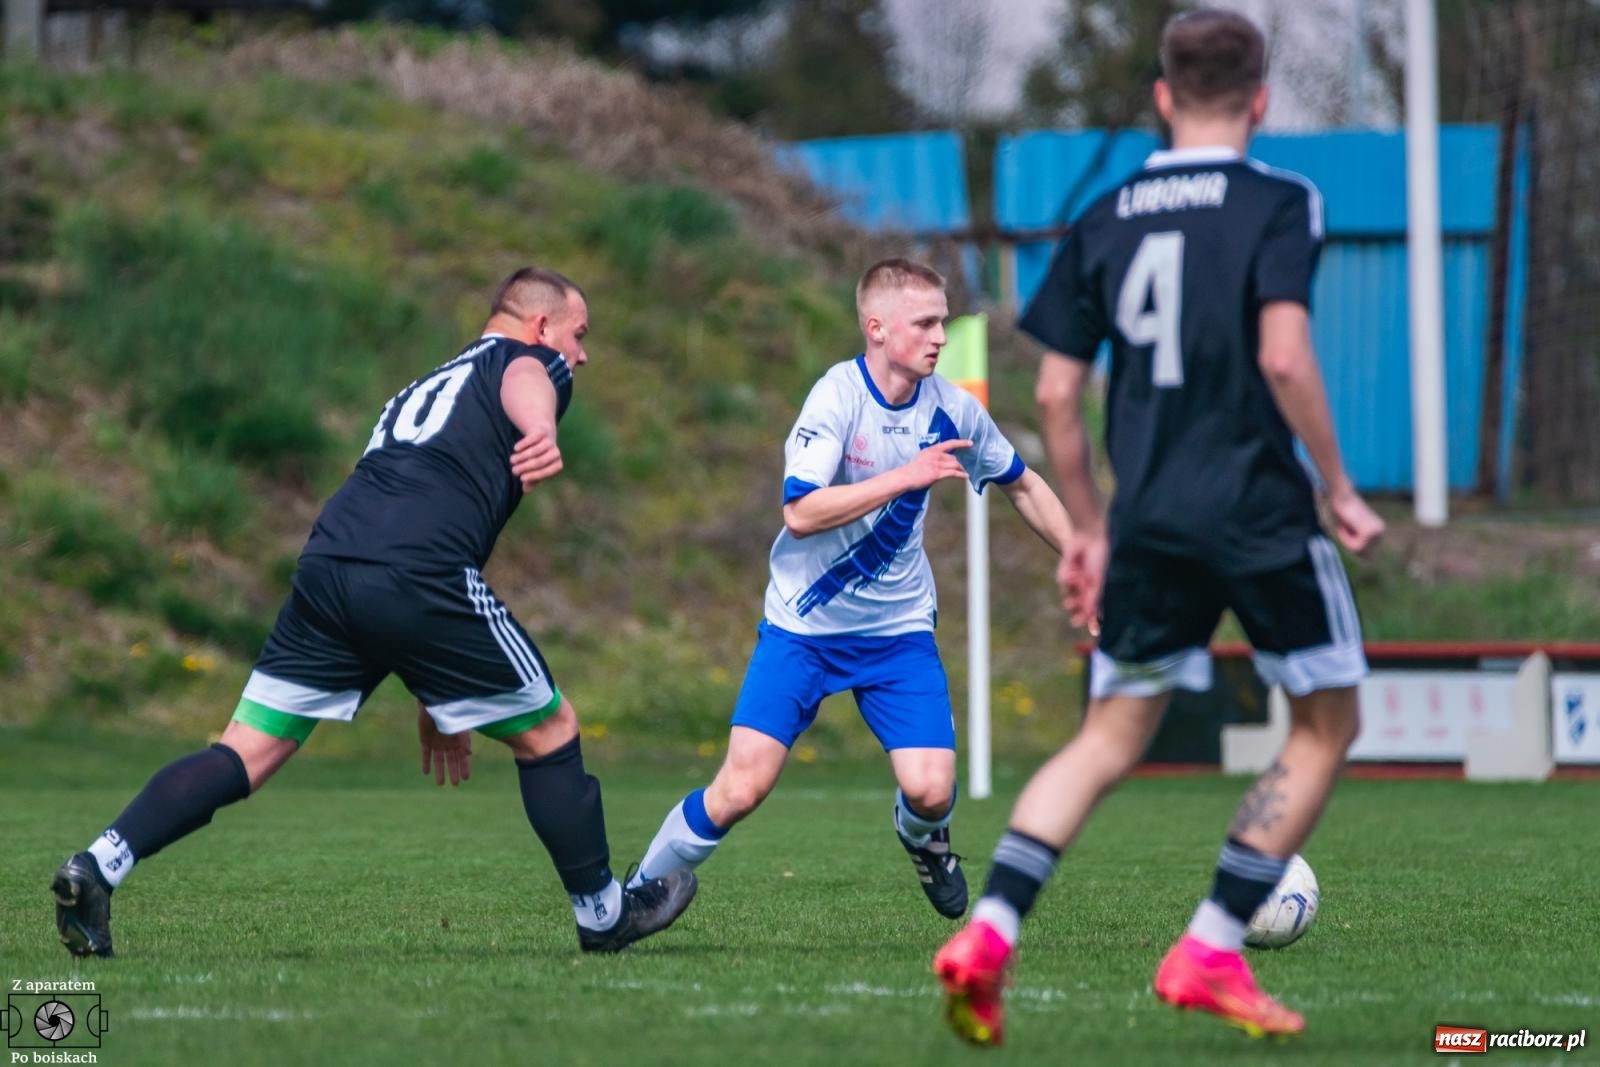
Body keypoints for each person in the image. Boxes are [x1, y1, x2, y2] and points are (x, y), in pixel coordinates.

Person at [933, 9, 1386, 1047]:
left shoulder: (1109, 213)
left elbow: (1053, 394)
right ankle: (1211, 942)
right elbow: (1282, 355)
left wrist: (1089, 527)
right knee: (1325, 724)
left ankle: (989, 936)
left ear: (1163, 99)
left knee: (1105, 737)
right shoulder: (1281, 201)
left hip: (1148, 520)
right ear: (1259, 100)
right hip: (1260, 512)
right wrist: (1341, 483)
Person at [51, 267, 697, 958]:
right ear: (542, 326)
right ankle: (604, 914)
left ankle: (98, 864)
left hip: (330, 565)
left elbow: (406, 520)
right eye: (579, 334)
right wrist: (541, 425)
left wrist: (441, 696)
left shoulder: (419, 388)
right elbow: (527, 379)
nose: (582, 353)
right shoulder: (525, 362)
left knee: (244, 750)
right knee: (551, 730)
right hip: (416, 571)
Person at [624, 258, 1074, 919]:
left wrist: (1086, 565)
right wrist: (906, 477)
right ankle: (633, 891)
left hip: (897, 635)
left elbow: (1026, 485)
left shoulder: (955, 409)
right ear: (877, 328)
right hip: (803, 632)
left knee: (929, 789)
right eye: (924, 323)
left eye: (943, 322)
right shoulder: (836, 398)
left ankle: (923, 839)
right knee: (741, 788)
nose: (940, 337)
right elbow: (800, 512)